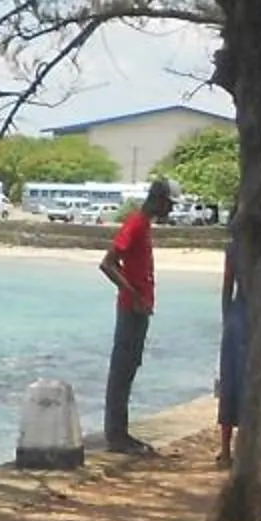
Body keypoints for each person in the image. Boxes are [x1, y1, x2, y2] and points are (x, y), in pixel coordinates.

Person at [98, 177, 174, 452]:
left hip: (138, 309)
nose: (172, 211)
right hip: (131, 309)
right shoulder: (136, 224)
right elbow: (108, 264)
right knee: (122, 370)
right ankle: (116, 435)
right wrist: (134, 295)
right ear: (160, 200)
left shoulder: (144, 225)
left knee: (128, 369)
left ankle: (120, 432)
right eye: (170, 204)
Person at [213, 229, 246, 468]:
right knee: (248, 381)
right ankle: (240, 449)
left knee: (231, 380)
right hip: (257, 316)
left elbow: (228, 285)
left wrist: (227, 318)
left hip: (239, 314)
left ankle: (226, 451)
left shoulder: (235, 247)